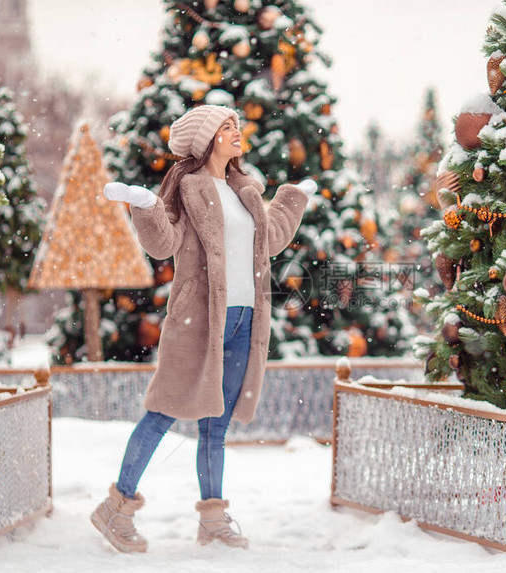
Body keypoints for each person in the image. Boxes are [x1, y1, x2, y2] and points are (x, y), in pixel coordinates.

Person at [91, 105, 315, 553]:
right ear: (210, 137)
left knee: (217, 424)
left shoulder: (244, 189)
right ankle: (115, 508)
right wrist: (146, 205)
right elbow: (164, 243)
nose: (237, 132)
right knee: (162, 411)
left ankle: (213, 519)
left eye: (236, 124)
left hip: (245, 319)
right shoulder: (190, 187)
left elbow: (270, 239)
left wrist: (293, 197)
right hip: (198, 321)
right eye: (228, 126)